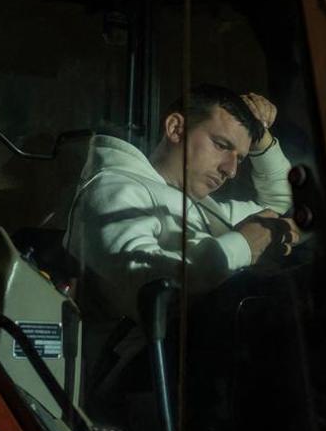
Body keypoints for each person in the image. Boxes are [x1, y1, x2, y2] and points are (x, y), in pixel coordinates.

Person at [66, 84, 300, 324]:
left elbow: (279, 199)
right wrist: (241, 246)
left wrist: (259, 136)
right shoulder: (114, 189)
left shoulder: (206, 207)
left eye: (239, 157)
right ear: (176, 129)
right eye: (221, 145)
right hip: (143, 358)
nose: (230, 170)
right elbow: (141, 285)